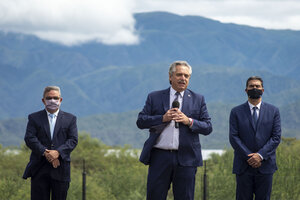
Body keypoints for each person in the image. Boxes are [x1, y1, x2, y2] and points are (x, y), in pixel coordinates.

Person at [136, 61, 213, 200]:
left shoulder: (198, 99)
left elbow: (207, 127)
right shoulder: (155, 97)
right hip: (159, 156)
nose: (183, 78)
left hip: (187, 158)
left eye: (186, 76)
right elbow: (141, 121)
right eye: (179, 75)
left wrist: (188, 121)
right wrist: (162, 118)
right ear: (170, 77)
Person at [229, 76, 281, 200]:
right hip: (243, 165)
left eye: (257, 86)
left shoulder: (273, 111)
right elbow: (233, 137)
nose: (254, 88)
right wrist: (250, 156)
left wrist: (260, 156)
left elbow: (276, 137)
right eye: (251, 86)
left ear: (262, 90)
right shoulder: (236, 112)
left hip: (266, 165)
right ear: (246, 90)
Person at [23, 86, 78, 200]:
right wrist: (45, 152)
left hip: (61, 169)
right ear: (43, 100)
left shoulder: (70, 119)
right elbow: (29, 138)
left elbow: (73, 140)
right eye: (49, 98)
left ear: (60, 100)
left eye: (55, 98)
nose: (52, 100)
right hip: (39, 168)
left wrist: (58, 152)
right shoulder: (34, 118)